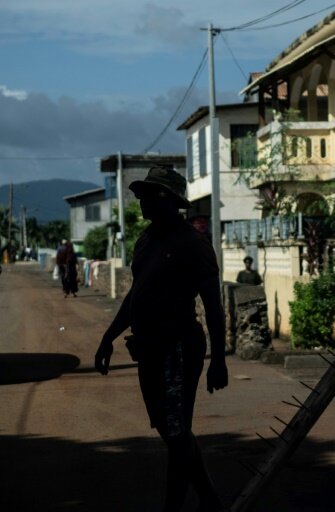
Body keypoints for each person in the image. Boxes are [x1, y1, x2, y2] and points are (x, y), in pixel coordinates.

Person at [94, 165, 229, 512]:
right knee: (172, 430)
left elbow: (213, 307)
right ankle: (211, 501)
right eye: (140, 196)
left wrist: (218, 360)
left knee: (176, 431)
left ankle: (180, 505)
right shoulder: (146, 240)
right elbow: (136, 295)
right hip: (149, 348)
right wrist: (108, 337)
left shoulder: (192, 244)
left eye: (148, 195)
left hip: (178, 348)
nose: (140, 203)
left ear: (168, 200)